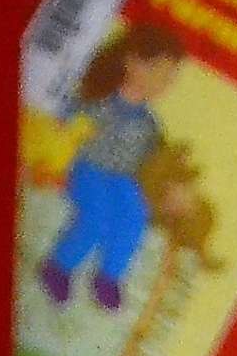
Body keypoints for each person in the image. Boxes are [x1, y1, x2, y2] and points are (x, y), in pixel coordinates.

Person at [37, 24, 190, 311]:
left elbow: (157, 159)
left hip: (123, 178)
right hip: (89, 168)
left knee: (135, 216)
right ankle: (59, 266)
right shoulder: (100, 100)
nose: (163, 84)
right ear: (132, 62)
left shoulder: (150, 123)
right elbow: (66, 112)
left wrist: (169, 185)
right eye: (158, 73)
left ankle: (109, 276)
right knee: (96, 215)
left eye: (168, 79)